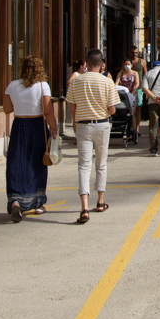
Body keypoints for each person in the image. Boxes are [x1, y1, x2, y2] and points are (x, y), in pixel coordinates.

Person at [66, 49, 118, 224]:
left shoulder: (76, 81)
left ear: (86, 63)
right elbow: (112, 109)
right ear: (101, 63)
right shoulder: (107, 82)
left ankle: (84, 207)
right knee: (101, 164)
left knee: (83, 166)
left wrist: (75, 121)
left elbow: (72, 107)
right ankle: (100, 201)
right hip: (102, 124)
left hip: (83, 125)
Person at [1, 55, 56, 222]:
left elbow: (6, 109)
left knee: (17, 163)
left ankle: (16, 201)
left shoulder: (12, 85)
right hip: (37, 126)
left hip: (19, 125)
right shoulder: (42, 86)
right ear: (40, 69)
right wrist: (54, 128)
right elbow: (47, 111)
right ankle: (37, 203)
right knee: (37, 164)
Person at [114, 61, 139, 143]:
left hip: (131, 94)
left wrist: (132, 93)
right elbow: (116, 83)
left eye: (128, 64)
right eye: (125, 64)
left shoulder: (135, 73)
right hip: (122, 95)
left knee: (132, 112)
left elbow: (136, 84)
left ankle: (133, 129)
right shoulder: (121, 73)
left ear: (131, 65)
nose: (127, 66)